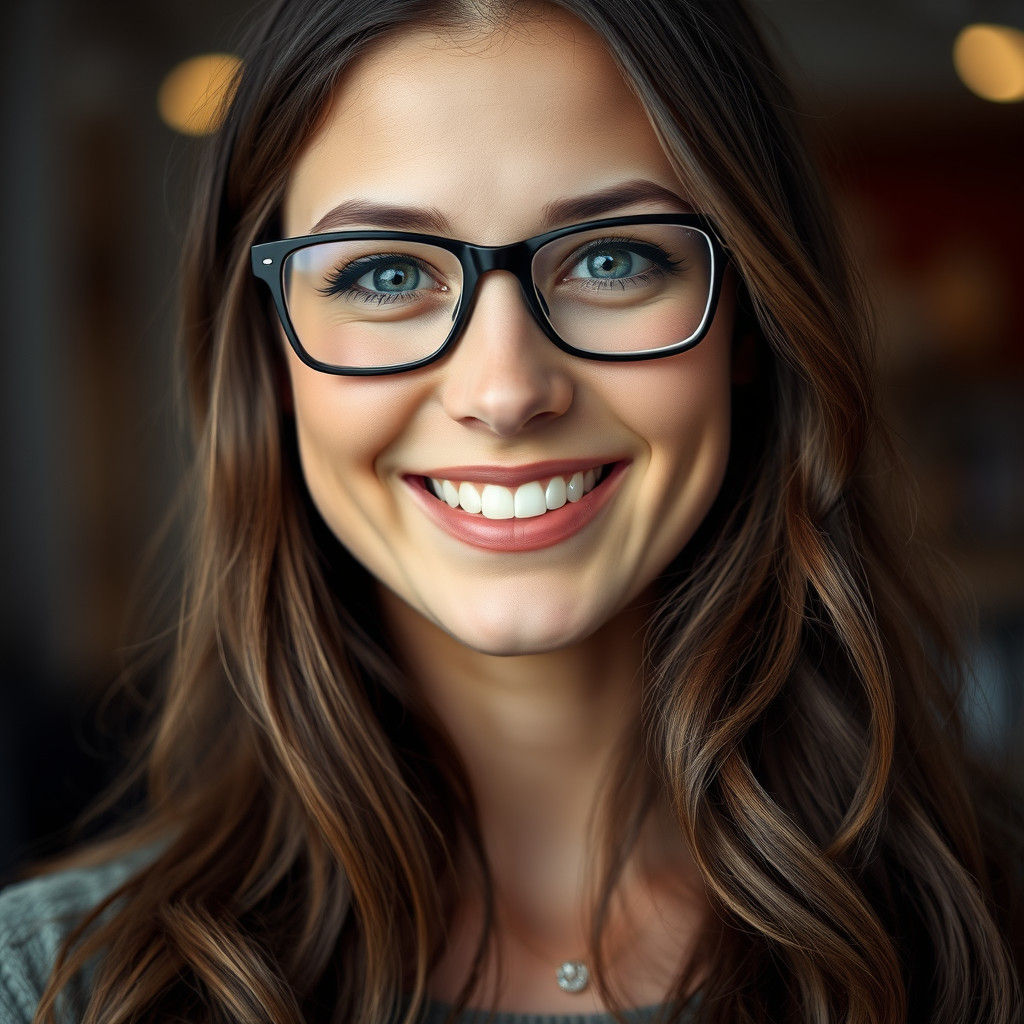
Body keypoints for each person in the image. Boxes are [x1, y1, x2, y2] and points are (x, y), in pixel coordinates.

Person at [1, 0, 1022, 1022]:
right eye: (385, 273)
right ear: (270, 354)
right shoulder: (51, 986)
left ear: (749, 316)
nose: (503, 389)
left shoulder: (992, 934)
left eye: (611, 259)